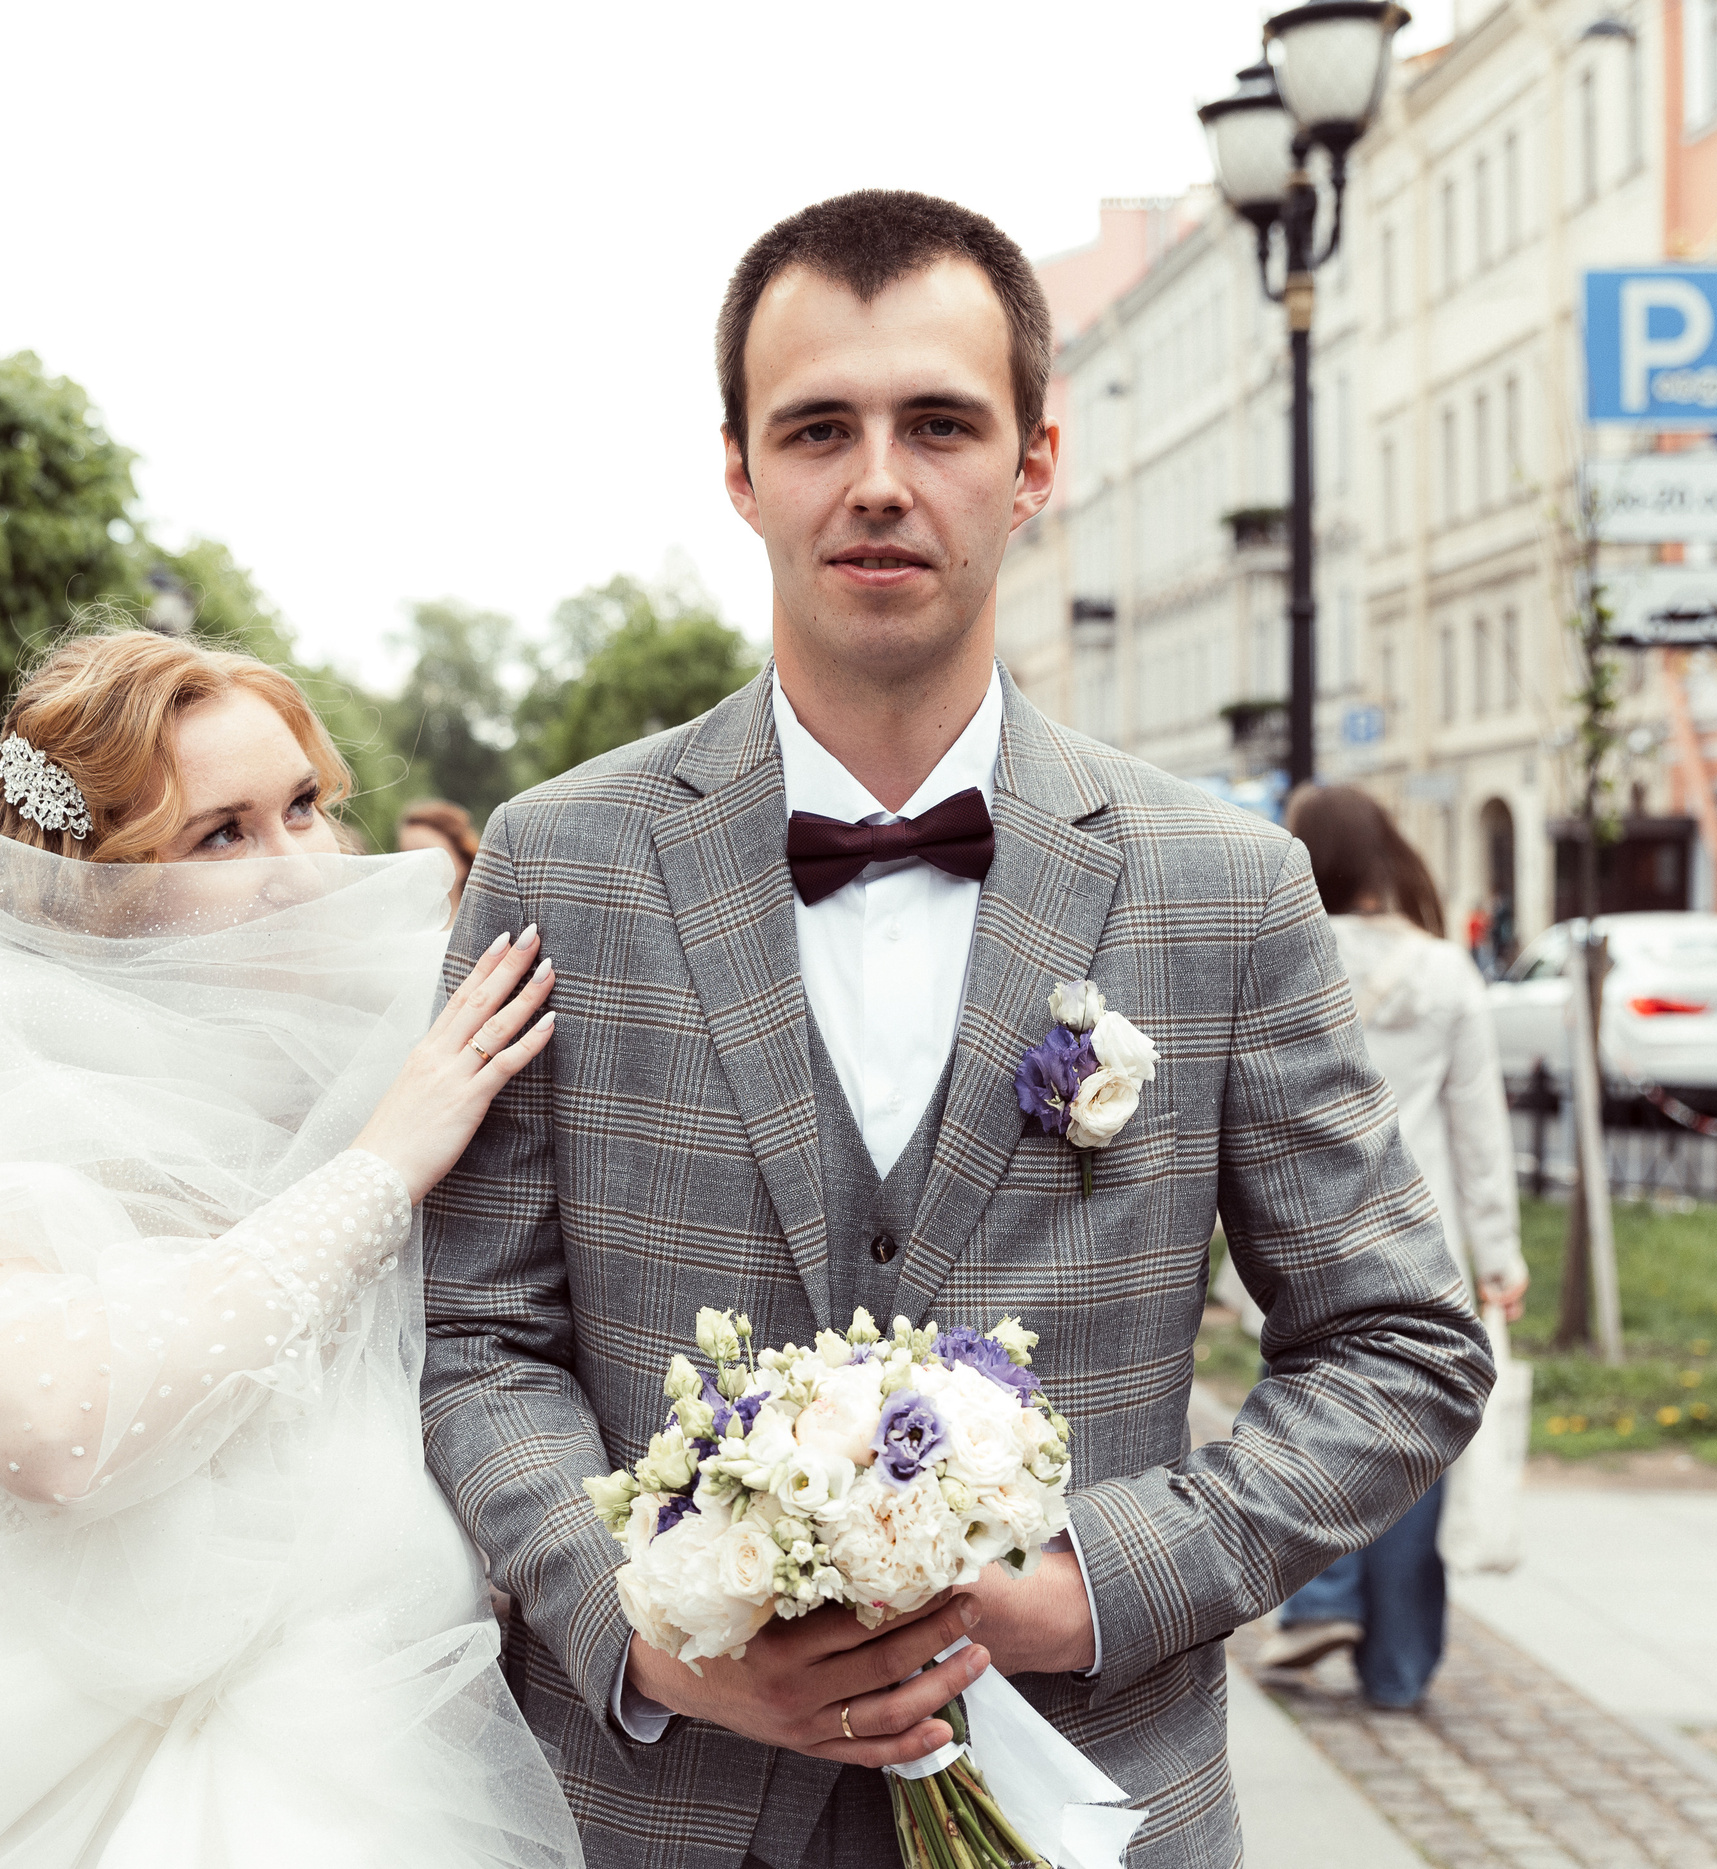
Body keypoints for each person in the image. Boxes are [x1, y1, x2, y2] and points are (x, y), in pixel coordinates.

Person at [419, 189, 1493, 1869]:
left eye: (940, 423)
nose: (878, 479)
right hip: (649, 1816)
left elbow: (1401, 1340)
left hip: (1089, 1791)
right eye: (818, 426)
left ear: (1035, 461)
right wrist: (643, 1620)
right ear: (739, 470)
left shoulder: (1224, 885)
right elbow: (479, 1327)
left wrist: (1095, 1584)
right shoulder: (561, 858)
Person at [0, 627, 578, 1867]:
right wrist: (379, 1169)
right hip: (130, 1747)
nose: (300, 869)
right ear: (85, 880)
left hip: (412, 1696)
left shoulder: (381, 1035)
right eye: (222, 834)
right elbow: (54, 1428)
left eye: (306, 808)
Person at [1260, 785, 1529, 1709]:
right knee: (1416, 1444)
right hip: (1428, 1239)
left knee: (1304, 1425)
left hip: (1302, 1235)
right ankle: (1400, 1663)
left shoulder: (1287, 950)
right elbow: (1478, 1129)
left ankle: (1318, 1599)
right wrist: (1499, 1256)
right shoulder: (1447, 974)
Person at [398, 798, 480, 914]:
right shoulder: (392, 929)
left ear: (462, 861)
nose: (413, 867)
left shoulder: (491, 928)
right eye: (405, 857)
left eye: (427, 856)